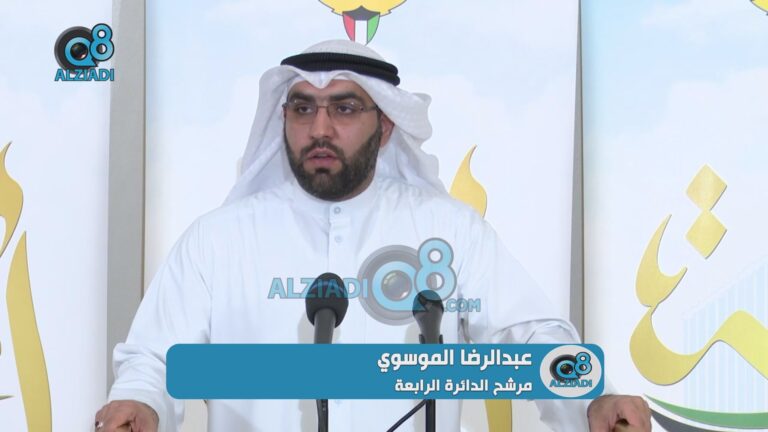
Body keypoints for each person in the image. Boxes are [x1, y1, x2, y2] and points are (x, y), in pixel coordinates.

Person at [94, 40, 651, 432]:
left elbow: (530, 338)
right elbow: (154, 359)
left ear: (384, 126)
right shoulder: (217, 241)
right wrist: (138, 404)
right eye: (303, 108)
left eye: (344, 108)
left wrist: (592, 400)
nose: (319, 128)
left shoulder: (448, 230)